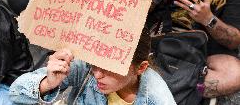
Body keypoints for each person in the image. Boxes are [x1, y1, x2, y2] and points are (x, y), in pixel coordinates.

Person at [9, 27, 176, 104]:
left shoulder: (158, 100)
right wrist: (47, 83)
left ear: (140, 67)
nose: (96, 75)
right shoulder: (87, 66)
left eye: (110, 68)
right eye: (95, 64)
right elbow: (15, 94)